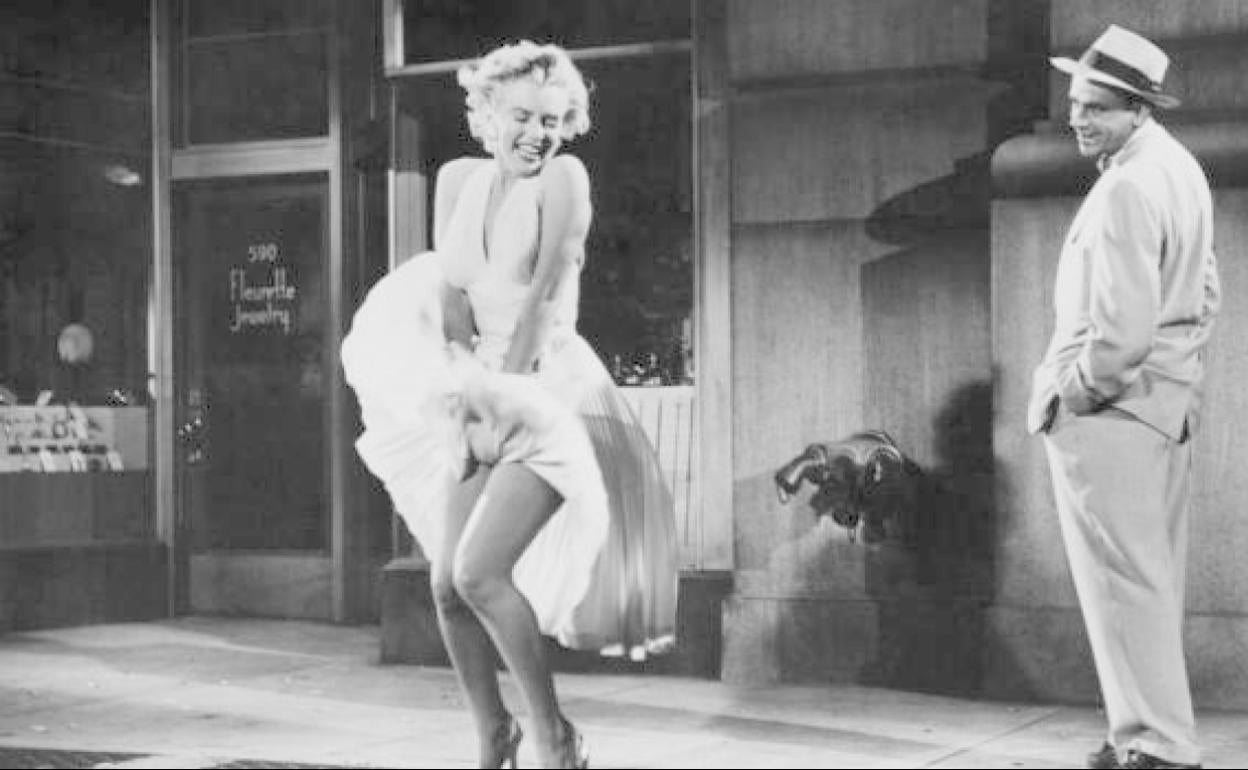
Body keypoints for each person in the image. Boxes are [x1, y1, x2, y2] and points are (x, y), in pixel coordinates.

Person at [342, 40, 678, 769]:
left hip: (547, 395)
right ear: (487, 112)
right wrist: (463, 385)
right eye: (522, 116)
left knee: (479, 574)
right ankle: (495, 732)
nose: (537, 133)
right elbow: (452, 294)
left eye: (552, 120)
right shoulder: (457, 179)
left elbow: (544, 298)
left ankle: (555, 736)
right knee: (445, 585)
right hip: (481, 389)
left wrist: (502, 396)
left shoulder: (564, 178)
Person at [1027, 24, 1220, 770]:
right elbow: (1205, 292)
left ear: (1138, 109)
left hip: (1113, 414)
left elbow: (1120, 331)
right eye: (1076, 103)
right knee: (1144, 584)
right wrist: (1179, 379)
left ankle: (1158, 746)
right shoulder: (1179, 168)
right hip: (1160, 408)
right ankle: (1141, 734)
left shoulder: (1129, 187)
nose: (1079, 118)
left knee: (1122, 585)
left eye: (1098, 108)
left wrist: (1076, 393)